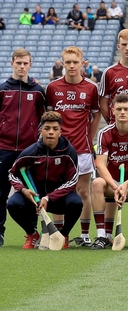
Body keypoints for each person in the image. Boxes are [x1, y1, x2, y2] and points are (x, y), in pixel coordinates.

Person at [45, 47, 101, 246]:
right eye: (67, 62)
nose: (71, 66)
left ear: (82, 63)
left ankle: (84, 235)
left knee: (83, 191)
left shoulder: (91, 88)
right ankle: (58, 235)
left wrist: (90, 138)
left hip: (82, 149)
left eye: (75, 62)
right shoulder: (53, 88)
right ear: (62, 63)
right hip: (57, 150)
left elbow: (96, 116)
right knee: (56, 191)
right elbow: (48, 118)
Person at [6, 111, 81, 249]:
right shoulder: (30, 152)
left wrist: (49, 197)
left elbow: (72, 181)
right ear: (41, 131)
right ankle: (32, 234)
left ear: (60, 132)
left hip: (58, 198)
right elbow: (12, 174)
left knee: (76, 203)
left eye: (55, 129)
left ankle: (63, 235)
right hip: (34, 199)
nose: (51, 132)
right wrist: (23, 190)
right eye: (47, 128)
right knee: (13, 203)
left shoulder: (69, 152)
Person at [91, 94, 128, 250]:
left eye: (126, 109)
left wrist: (126, 184)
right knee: (97, 183)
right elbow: (101, 165)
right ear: (113, 111)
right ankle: (101, 236)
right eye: (119, 109)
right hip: (112, 183)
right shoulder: (104, 133)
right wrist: (115, 186)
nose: (122, 112)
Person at [0, 48, 46, 246]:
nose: (21, 66)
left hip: (29, 151)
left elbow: (43, 118)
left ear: (30, 65)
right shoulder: (2, 89)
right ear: (12, 63)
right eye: (18, 63)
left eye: (25, 63)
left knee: (31, 193)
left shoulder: (38, 91)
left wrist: (37, 142)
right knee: (1, 192)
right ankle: (0, 232)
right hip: (4, 148)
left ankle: (32, 232)